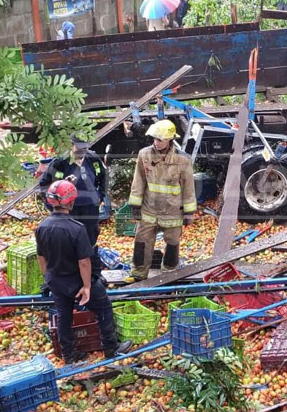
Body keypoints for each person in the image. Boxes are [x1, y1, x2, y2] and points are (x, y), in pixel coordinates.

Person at [36, 180, 131, 363]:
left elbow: (41, 257)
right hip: (77, 281)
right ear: (70, 202)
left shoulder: (42, 227)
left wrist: (48, 277)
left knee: (64, 316)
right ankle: (111, 348)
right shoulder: (76, 228)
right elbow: (84, 262)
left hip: (56, 280)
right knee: (103, 308)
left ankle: (69, 355)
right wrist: (87, 287)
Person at [124, 120, 197, 283]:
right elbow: (139, 180)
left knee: (172, 244)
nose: (156, 143)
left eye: (160, 139)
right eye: (154, 139)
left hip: (173, 210)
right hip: (149, 208)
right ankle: (138, 274)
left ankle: (168, 275)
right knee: (142, 241)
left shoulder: (182, 160)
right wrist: (135, 205)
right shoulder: (144, 155)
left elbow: (188, 187)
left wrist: (189, 212)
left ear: (170, 139)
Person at [39, 135, 107, 254]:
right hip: (68, 209)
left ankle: (89, 260)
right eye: (79, 148)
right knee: (68, 239)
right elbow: (45, 185)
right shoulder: (60, 162)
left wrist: (100, 196)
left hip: (90, 208)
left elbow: (104, 178)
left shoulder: (93, 159)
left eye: (85, 148)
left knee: (89, 237)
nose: (82, 151)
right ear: (71, 145)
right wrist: (55, 207)